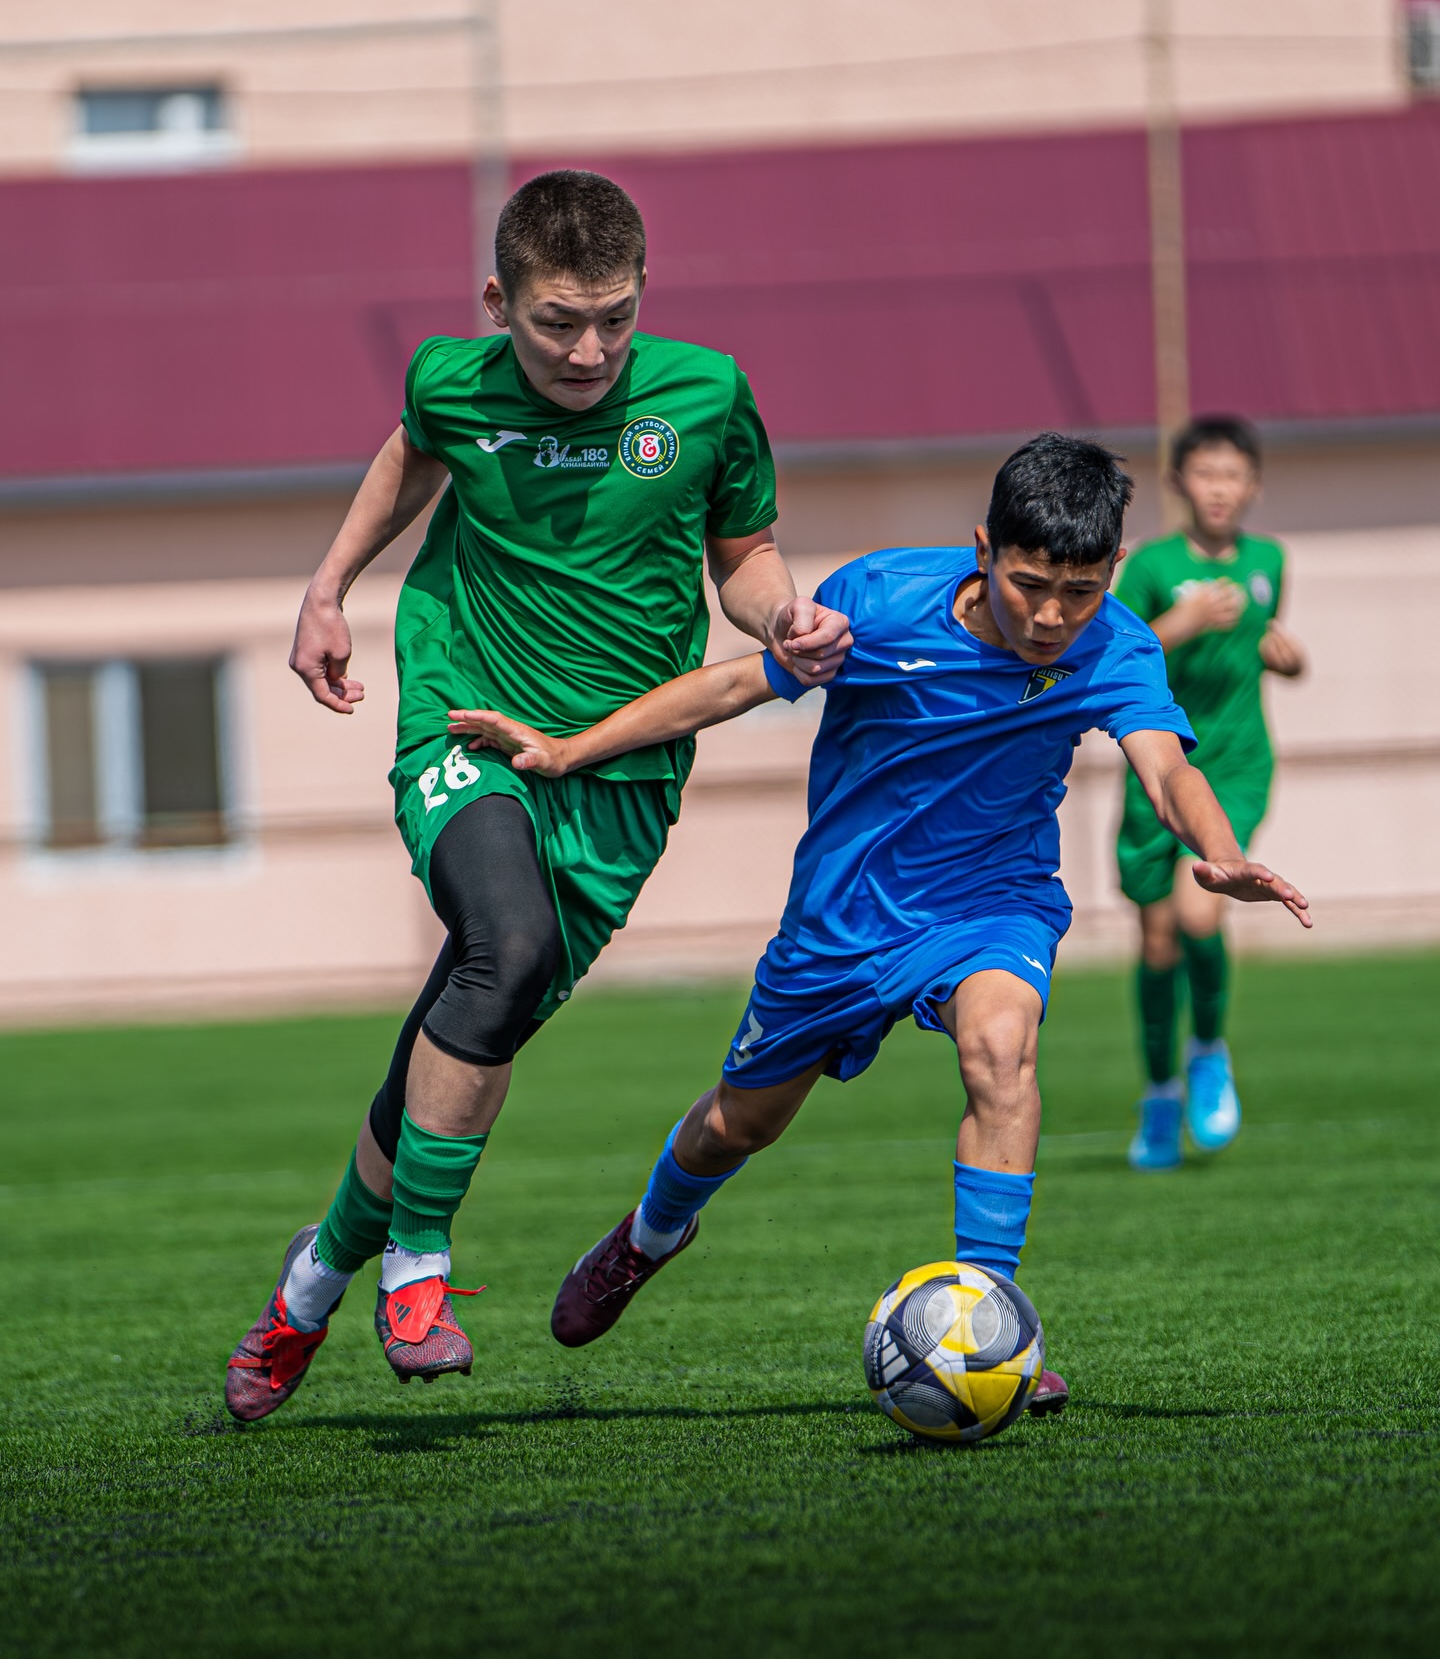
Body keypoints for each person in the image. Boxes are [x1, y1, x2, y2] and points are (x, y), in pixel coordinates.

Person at [450, 435, 1311, 1406]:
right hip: (845, 921)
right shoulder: (879, 600)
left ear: (1111, 572)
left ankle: (988, 1324)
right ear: (984, 549)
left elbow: (1167, 766)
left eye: (1078, 590)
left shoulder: (1116, 642)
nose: (1053, 615)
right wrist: (570, 753)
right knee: (738, 1125)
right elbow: (736, 684)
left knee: (1002, 1051)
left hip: (995, 904)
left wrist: (1219, 850)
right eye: (1031, 585)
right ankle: (646, 1237)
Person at [224, 170, 851, 1422]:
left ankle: (313, 1280)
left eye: (615, 317)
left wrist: (784, 612)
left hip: (621, 766)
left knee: (468, 1022)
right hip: (466, 712)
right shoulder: (452, 377)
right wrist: (328, 585)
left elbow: (743, 555)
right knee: (500, 950)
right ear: (498, 301)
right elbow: (414, 452)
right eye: (558, 321)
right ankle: (419, 1270)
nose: (589, 348)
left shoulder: (709, 395)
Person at [1115, 416, 1305, 1172]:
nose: (1220, 488)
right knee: (1157, 940)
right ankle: (1159, 1096)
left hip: (1236, 765)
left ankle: (1208, 1052)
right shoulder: (1154, 566)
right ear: (1179, 483)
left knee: (1200, 910)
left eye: (1233, 475)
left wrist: (1286, 659)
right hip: (1161, 762)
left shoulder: (1269, 561)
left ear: (1252, 486)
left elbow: (1262, 643)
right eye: (1206, 473)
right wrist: (1182, 623)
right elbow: (1120, 652)